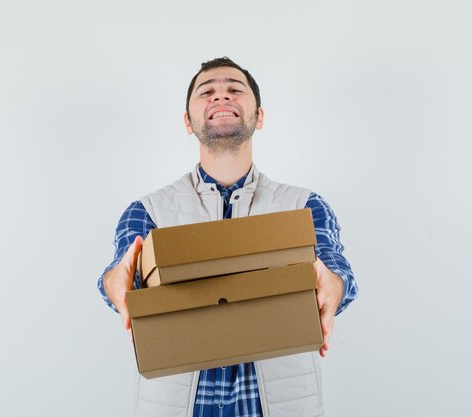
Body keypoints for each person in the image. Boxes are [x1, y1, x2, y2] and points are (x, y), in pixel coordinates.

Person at [97, 57, 358, 417]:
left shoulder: (303, 207)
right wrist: (115, 284)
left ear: (259, 116)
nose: (221, 97)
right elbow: (116, 275)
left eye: (235, 89)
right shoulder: (148, 211)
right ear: (188, 122)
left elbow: (337, 272)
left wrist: (335, 285)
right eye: (208, 92)